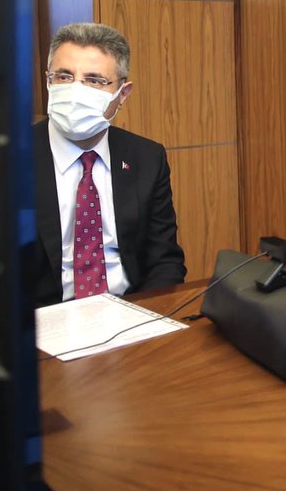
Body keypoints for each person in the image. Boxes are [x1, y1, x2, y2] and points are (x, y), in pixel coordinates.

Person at [33, 22, 186, 307]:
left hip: (131, 312)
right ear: (48, 81)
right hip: (44, 322)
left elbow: (164, 261)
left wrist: (148, 318)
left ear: (122, 94)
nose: (75, 91)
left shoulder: (146, 157)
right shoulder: (7, 160)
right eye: (64, 76)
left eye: (94, 80)